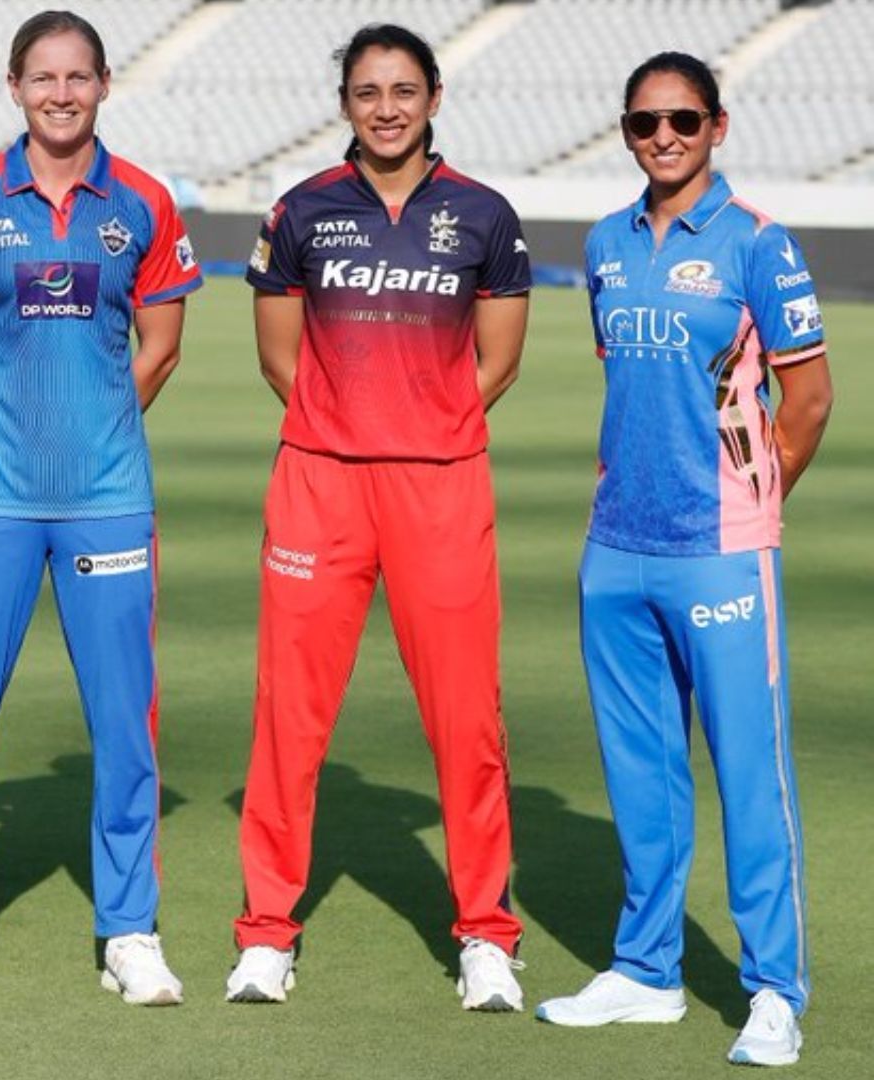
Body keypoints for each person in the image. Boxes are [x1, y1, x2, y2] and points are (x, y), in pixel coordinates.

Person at [535, 53, 832, 1068]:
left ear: (718, 126)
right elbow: (626, 374)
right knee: (642, 776)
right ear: (626, 130)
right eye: (645, 121)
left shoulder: (759, 243)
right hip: (616, 548)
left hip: (721, 555)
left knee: (751, 776)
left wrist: (754, 497)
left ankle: (773, 991)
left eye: (683, 119)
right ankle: (647, 972)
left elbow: (809, 397)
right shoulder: (607, 243)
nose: (664, 137)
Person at [228, 24, 531, 1012]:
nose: (387, 107)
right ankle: (266, 933)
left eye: (404, 89)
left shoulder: (483, 214)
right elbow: (281, 357)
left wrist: (425, 426)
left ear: (435, 95)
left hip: (441, 486)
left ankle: (487, 933)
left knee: (465, 718)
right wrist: (345, 427)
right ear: (346, 102)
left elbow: (500, 360)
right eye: (368, 91)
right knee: (290, 715)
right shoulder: (303, 210)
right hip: (320, 483)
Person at [0, 9, 201, 1007]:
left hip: (109, 504)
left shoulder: (146, 202)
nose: (61, 94)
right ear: (15, 86)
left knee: (124, 724)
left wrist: (95, 431)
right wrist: (5, 423)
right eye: (44, 78)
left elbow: (159, 346)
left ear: (105, 86)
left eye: (78, 78)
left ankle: (129, 929)